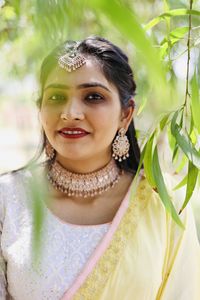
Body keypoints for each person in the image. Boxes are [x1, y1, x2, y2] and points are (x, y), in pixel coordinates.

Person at [0, 36, 199, 300]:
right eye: (57, 96)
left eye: (93, 96)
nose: (70, 112)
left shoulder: (163, 203)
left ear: (125, 114)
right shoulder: (8, 199)